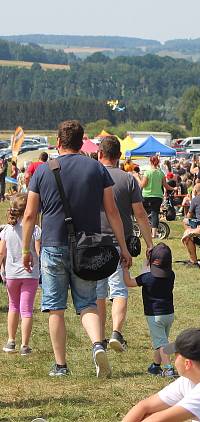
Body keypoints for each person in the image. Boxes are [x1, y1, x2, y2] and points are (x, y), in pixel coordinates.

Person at [22, 119, 131, 378]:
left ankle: (61, 366)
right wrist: (123, 247)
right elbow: (112, 211)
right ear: (82, 142)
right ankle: (97, 345)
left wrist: (26, 250)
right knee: (87, 304)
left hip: (53, 244)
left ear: (58, 142)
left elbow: (29, 214)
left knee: (55, 307)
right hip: (88, 246)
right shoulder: (96, 169)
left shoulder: (42, 170)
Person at [96, 136, 154, 354]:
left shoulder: (92, 177)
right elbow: (140, 214)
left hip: (95, 241)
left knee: (99, 292)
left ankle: (99, 337)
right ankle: (116, 333)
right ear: (119, 156)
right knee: (119, 289)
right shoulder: (128, 179)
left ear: (99, 154)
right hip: (121, 243)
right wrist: (149, 243)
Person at [122, 243, 177, 377]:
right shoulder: (171, 275)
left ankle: (169, 369)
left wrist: (124, 269)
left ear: (151, 261)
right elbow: (152, 268)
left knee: (161, 344)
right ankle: (155, 366)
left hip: (154, 316)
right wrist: (150, 260)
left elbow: (128, 282)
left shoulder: (147, 278)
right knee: (161, 341)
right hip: (169, 314)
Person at [1, 192, 41, 356]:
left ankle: (11, 341)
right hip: (30, 275)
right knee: (26, 310)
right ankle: (25, 345)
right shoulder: (35, 230)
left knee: (13, 306)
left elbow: (1, 253)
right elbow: (38, 253)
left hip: (11, 275)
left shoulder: (6, 230)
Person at [141, 155, 174, 240]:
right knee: (155, 213)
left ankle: (145, 229)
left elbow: (143, 185)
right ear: (158, 162)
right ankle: (154, 234)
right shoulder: (161, 173)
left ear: (150, 162)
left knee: (142, 212)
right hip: (158, 197)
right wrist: (174, 188)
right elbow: (166, 186)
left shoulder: (147, 173)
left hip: (146, 196)